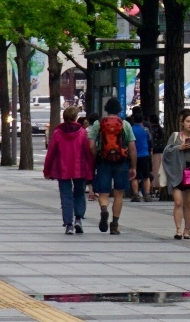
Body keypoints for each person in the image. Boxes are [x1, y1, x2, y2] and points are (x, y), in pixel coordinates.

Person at [159, 109, 190, 240]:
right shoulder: (175, 136)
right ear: (182, 123)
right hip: (177, 171)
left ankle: (187, 229)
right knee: (178, 202)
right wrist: (178, 148)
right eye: (187, 121)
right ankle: (178, 230)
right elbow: (166, 152)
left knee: (189, 203)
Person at [88, 97, 135, 234]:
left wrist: (97, 155)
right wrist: (133, 166)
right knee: (119, 193)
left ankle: (104, 209)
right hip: (121, 162)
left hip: (103, 161)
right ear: (119, 110)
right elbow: (132, 147)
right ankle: (114, 224)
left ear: (106, 110)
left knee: (103, 192)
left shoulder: (99, 124)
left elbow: (91, 145)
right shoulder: (125, 124)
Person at [44, 105, 93, 234]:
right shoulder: (82, 132)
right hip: (79, 168)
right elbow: (87, 151)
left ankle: (68, 225)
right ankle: (78, 218)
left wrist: (47, 169)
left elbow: (51, 152)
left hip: (62, 168)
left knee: (65, 196)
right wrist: (91, 167)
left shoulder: (57, 133)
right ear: (75, 118)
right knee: (79, 194)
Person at [130, 112, 153, 204]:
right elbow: (149, 140)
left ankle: (136, 194)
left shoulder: (131, 130)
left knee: (134, 176)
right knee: (146, 176)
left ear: (133, 120)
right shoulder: (146, 130)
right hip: (145, 154)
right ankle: (147, 194)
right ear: (142, 120)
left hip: (134, 156)